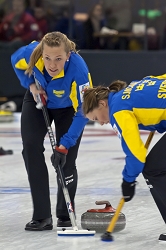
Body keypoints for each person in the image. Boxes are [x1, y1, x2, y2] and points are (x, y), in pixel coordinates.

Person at [11, 31, 92, 231]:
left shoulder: (79, 70)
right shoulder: (32, 52)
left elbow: (84, 111)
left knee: (66, 160)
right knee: (30, 147)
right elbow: (15, 60)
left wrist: (65, 145)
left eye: (58, 59)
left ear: (68, 55)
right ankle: (42, 216)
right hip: (38, 99)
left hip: (69, 110)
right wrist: (29, 84)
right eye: (47, 58)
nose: (52, 65)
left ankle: (65, 213)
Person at [82, 74, 166, 239]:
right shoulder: (131, 88)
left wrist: (128, 181)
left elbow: (136, 152)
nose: (100, 123)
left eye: (96, 117)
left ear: (102, 103)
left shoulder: (118, 109)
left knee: (153, 170)